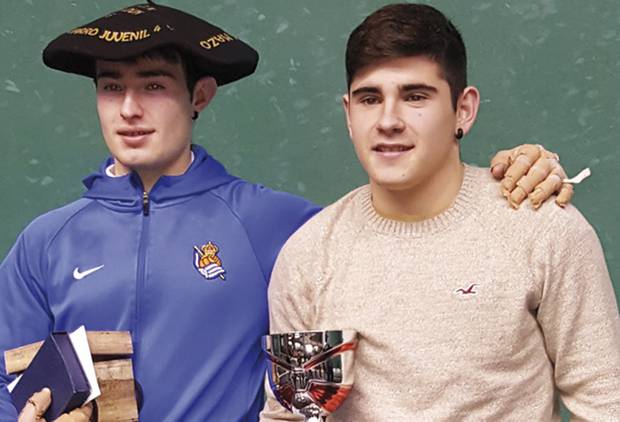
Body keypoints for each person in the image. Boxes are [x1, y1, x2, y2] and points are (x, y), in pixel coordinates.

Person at [0, 2, 572, 421]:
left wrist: (518, 172)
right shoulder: (47, 241)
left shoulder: (285, 228)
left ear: (199, 95)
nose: (129, 109)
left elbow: (406, 230)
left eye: (153, 85)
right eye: (111, 86)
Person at [261, 3, 620, 421]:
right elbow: (291, 415)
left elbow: (605, 402)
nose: (388, 120)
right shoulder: (309, 257)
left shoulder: (542, 229)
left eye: (415, 96)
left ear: (463, 109)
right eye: (370, 99)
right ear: (349, 114)